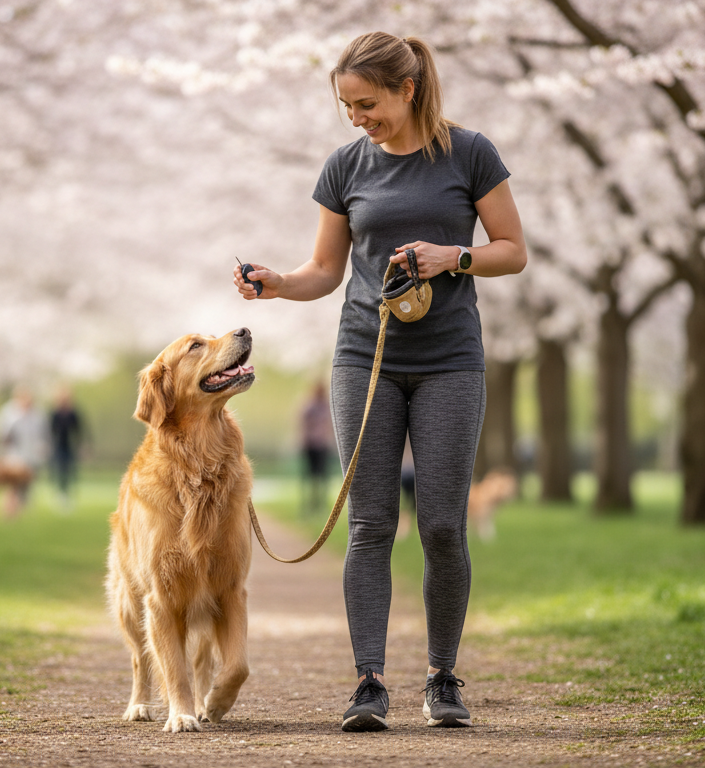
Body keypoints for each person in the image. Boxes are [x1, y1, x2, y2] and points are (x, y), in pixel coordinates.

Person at [233, 32, 527, 732]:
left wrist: (453, 257)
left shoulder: (470, 154)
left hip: (451, 361)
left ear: (408, 89)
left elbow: (513, 252)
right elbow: (325, 270)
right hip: (364, 360)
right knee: (370, 523)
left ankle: (442, 678)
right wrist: (279, 283)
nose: (357, 117)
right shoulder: (345, 166)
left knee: (443, 525)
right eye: (347, 106)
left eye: (367, 104)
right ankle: (368, 683)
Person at [0, 387, 48, 518]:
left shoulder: (38, 414)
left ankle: (22, 509)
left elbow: (44, 435)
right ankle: (8, 510)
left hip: (31, 457)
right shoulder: (8, 413)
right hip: (12, 456)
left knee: (26, 486)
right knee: (12, 486)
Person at [300, 381, 337, 517]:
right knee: (310, 476)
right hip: (310, 445)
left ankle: (321, 503)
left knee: (323, 476)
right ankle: (310, 503)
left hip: (323, 446)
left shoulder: (327, 406)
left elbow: (330, 425)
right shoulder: (309, 406)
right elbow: (303, 424)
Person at [49, 385, 85, 512]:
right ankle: (60, 494)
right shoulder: (55, 414)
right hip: (58, 447)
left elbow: (79, 431)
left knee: (70, 471)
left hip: (70, 447)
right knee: (59, 471)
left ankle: (68, 494)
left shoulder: (73, 414)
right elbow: (51, 431)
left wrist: (81, 446)